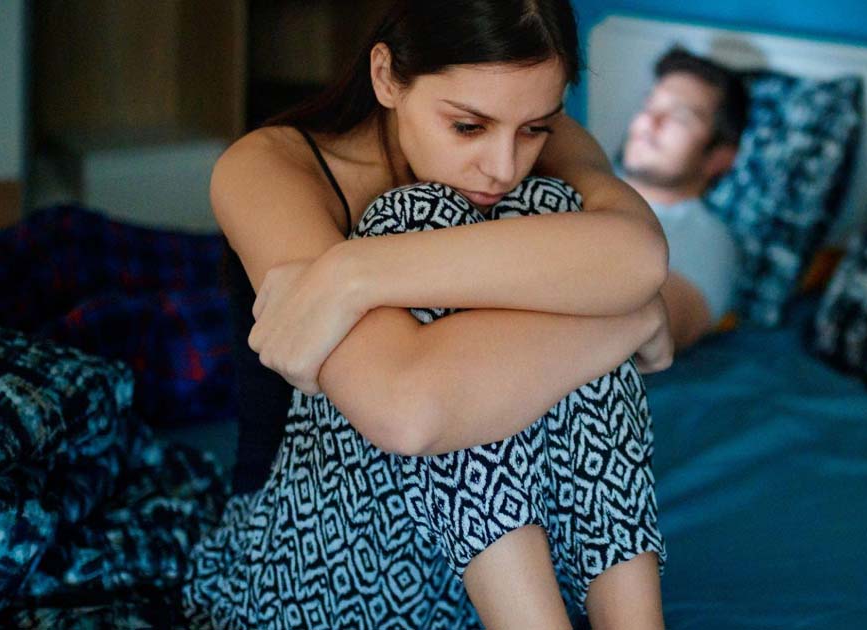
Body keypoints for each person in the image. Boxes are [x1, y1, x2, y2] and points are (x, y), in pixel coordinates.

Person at [182, 1, 670, 628]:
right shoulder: (270, 165)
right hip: (324, 558)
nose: (502, 165)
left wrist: (352, 273)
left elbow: (640, 254)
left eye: (535, 128)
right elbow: (405, 409)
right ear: (386, 76)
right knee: (417, 214)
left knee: (551, 205)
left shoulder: (540, 148)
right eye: (468, 127)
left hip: (499, 557)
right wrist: (633, 321)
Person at [620, 47, 746, 351]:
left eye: (679, 116)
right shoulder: (576, 174)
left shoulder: (709, 239)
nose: (651, 120)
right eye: (650, 105)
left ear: (719, 157)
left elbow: (638, 328)